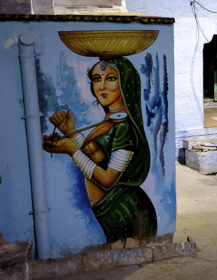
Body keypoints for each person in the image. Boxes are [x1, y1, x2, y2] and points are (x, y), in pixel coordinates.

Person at [42, 57, 157, 244]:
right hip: (109, 210)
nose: (102, 86)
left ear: (125, 82)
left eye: (111, 78)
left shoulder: (124, 127)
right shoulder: (112, 119)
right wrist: (70, 132)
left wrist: (72, 151)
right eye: (96, 79)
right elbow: (94, 157)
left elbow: (107, 180)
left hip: (127, 212)